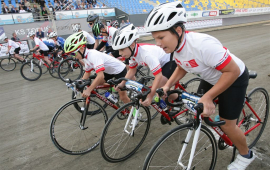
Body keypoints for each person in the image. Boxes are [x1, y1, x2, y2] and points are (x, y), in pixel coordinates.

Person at [144, 2, 254, 170]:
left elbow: (232, 71)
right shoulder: (176, 47)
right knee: (199, 108)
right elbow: (182, 66)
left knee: (227, 124)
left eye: (160, 37)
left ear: (178, 31)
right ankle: (218, 123)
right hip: (212, 77)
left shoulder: (202, 44)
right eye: (155, 38)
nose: (157, 43)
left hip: (233, 76)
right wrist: (167, 86)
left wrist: (209, 96)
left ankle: (246, 155)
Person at [112, 24, 177, 106]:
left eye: (122, 49)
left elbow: (158, 76)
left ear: (132, 45)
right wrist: (122, 83)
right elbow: (132, 71)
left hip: (170, 60)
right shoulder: (132, 54)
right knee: (161, 93)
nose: (120, 53)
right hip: (160, 63)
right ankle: (168, 104)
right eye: (118, 50)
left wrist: (150, 96)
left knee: (159, 88)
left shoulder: (146, 54)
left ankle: (179, 99)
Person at [63, 32, 130, 104]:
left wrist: (89, 90)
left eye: (73, 53)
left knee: (123, 97)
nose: (73, 56)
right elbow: (87, 72)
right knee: (98, 83)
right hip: (109, 71)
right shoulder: (86, 57)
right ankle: (114, 89)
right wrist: (80, 82)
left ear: (82, 48)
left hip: (120, 70)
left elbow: (100, 76)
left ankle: (136, 113)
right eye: (71, 54)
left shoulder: (93, 55)